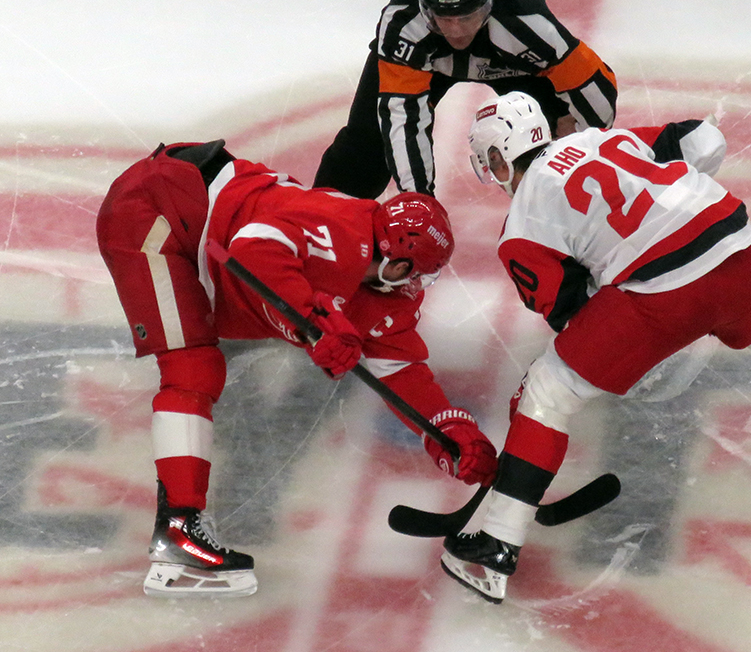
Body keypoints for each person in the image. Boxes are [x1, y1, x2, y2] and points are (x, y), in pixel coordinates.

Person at [441, 92, 751, 604]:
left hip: (667, 291)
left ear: (494, 159)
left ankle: (495, 545)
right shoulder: (602, 137)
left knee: (548, 392)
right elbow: (701, 139)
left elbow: (570, 312)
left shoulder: (522, 225)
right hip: (741, 246)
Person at [95, 140, 498, 597]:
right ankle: (178, 533)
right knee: (192, 368)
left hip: (196, 211)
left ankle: (180, 526)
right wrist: (314, 323)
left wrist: (446, 428)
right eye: (417, 273)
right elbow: (251, 248)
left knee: (199, 365)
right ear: (397, 261)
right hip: (156, 207)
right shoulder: (344, 232)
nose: (417, 287)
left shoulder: (381, 279)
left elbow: (400, 369)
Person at [313, 0, 619, 199]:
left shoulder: (526, 20)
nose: (456, 31)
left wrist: (587, 143)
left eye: (465, 16)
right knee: (367, 147)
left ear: (488, 5)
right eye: (444, 17)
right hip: (436, 61)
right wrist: (420, 200)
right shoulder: (402, 27)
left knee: (554, 145)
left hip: (512, 61)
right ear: (424, 8)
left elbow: (596, 89)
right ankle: (318, 226)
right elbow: (402, 120)